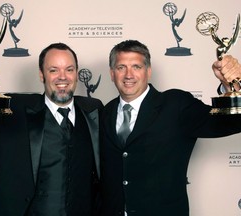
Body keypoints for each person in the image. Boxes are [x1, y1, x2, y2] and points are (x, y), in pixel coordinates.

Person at [0, 42, 103, 216]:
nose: (63, 77)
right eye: (53, 70)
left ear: (76, 74)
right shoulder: (13, 108)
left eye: (69, 69)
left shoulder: (94, 109)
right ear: (41, 75)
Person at [100, 39, 241, 216]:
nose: (129, 74)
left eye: (136, 67)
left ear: (148, 72)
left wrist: (233, 85)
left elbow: (231, 122)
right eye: (121, 67)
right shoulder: (104, 112)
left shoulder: (176, 104)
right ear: (112, 74)